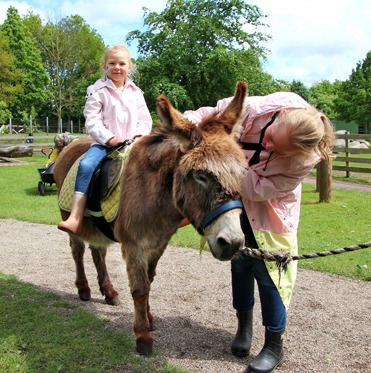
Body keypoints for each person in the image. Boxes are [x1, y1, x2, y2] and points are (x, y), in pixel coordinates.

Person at [184, 92, 335, 373]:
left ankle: (274, 346)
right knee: (239, 267)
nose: (266, 145)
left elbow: (261, 189)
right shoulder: (258, 108)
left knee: (272, 279)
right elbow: (215, 111)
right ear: (279, 119)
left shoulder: (303, 160)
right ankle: (244, 327)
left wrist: (222, 164)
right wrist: (188, 123)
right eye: (271, 137)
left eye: (276, 149)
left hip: (270, 213)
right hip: (237, 208)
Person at [58, 44, 152, 235]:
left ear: (129, 66)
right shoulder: (97, 90)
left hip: (133, 144)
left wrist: (139, 136)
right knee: (86, 165)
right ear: (105, 65)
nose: (117, 67)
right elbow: (92, 121)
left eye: (122, 63)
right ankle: (75, 215)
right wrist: (109, 139)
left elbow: (145, 119)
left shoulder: (136, 93)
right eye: (112, 63)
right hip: (104, 144)